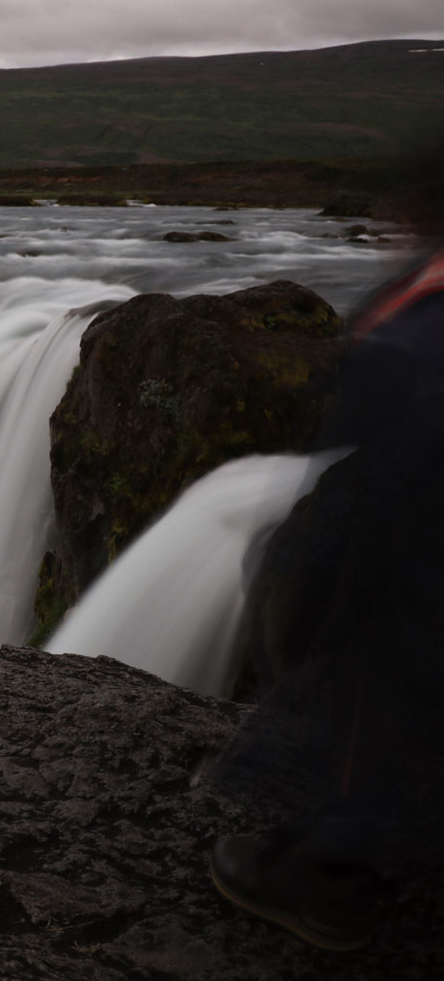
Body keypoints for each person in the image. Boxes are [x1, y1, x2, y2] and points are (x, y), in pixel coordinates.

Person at [210, 198, 444, 951]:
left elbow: (373, 436)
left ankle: (330, 878)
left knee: (382, 655)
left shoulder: (422, 325)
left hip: (410, 539)